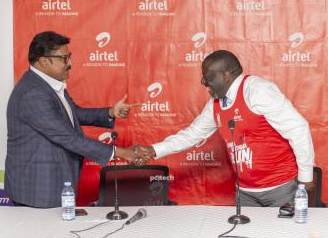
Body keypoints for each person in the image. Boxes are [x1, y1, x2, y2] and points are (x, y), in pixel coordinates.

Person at [134, 50, 315, 207]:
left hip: (281, 189)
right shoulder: (216, 102)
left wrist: (306, 177)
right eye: (204, 79)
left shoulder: (258, 90)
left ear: (226, 75)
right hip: (245, 192)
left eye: (209, 78)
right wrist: (152, 150)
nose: (205, 83)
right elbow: (193, 134)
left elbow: (298, 129)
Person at [5, 31, 139, 208]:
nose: (70, 63)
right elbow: (68, 137)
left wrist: (111, 112)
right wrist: (122, 153)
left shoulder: (49, 84)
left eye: (69, 56)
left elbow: (73, 113)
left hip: (52, 182)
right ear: (44, 61)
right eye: (64, 58)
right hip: (37, 188)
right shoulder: (33, 93)